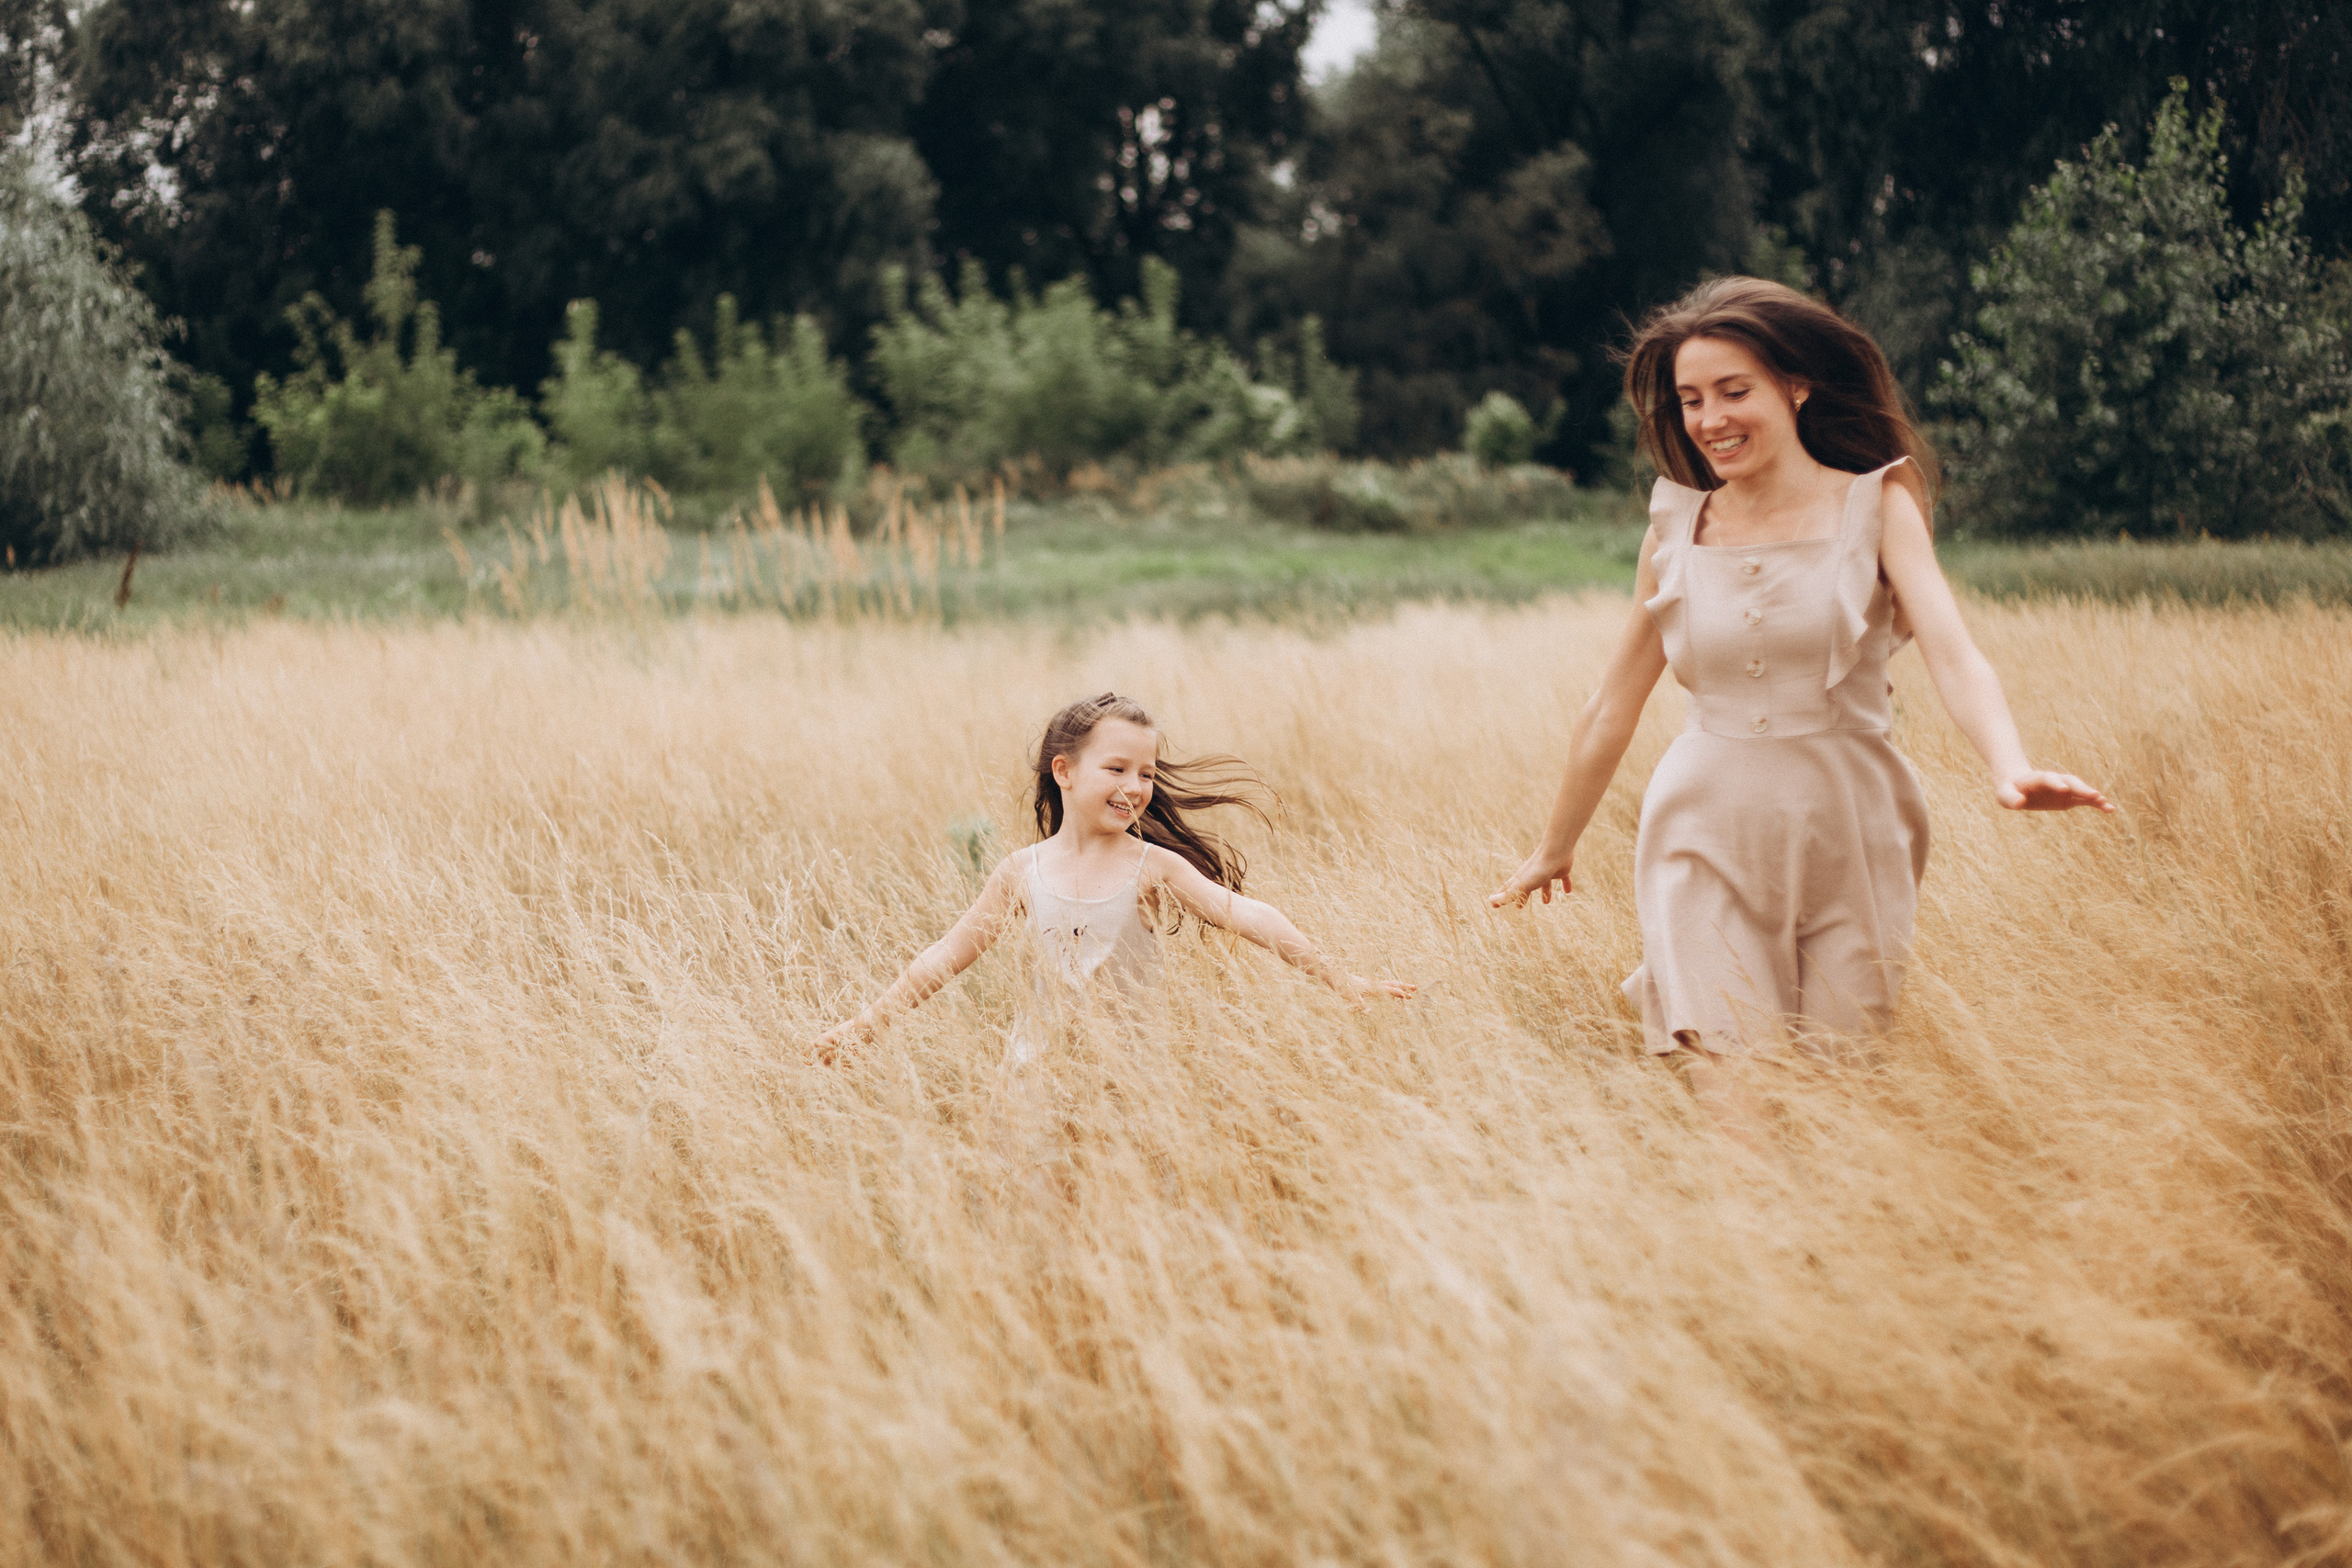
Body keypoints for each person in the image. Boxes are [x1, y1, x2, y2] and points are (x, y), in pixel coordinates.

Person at [1490, 276, 2112, 1133]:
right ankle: (1736, 1257)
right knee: (1738, 1111)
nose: (1711, 419)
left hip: (1851, 831)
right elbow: (1611, 705)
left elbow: (1953, 652)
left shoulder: (1878, 504)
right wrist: (1553, 847)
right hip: (1700, 831)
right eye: (1691, 399)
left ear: (1796, 383)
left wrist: (2012, 768)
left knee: (1832, 1102)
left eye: (1734, 391)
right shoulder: (1675, 526)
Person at [815, 692, 1413, 1064]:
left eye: (1146, 772)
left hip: (1130, 1080)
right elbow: (945, 955)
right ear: (1065, 772)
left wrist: (1341, 979)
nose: (1135, 785)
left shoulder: (1154, 865)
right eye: (1117, 768)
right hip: (1035, 1075)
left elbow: (1251, 916)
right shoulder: (1022, 871)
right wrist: (868, 1024)